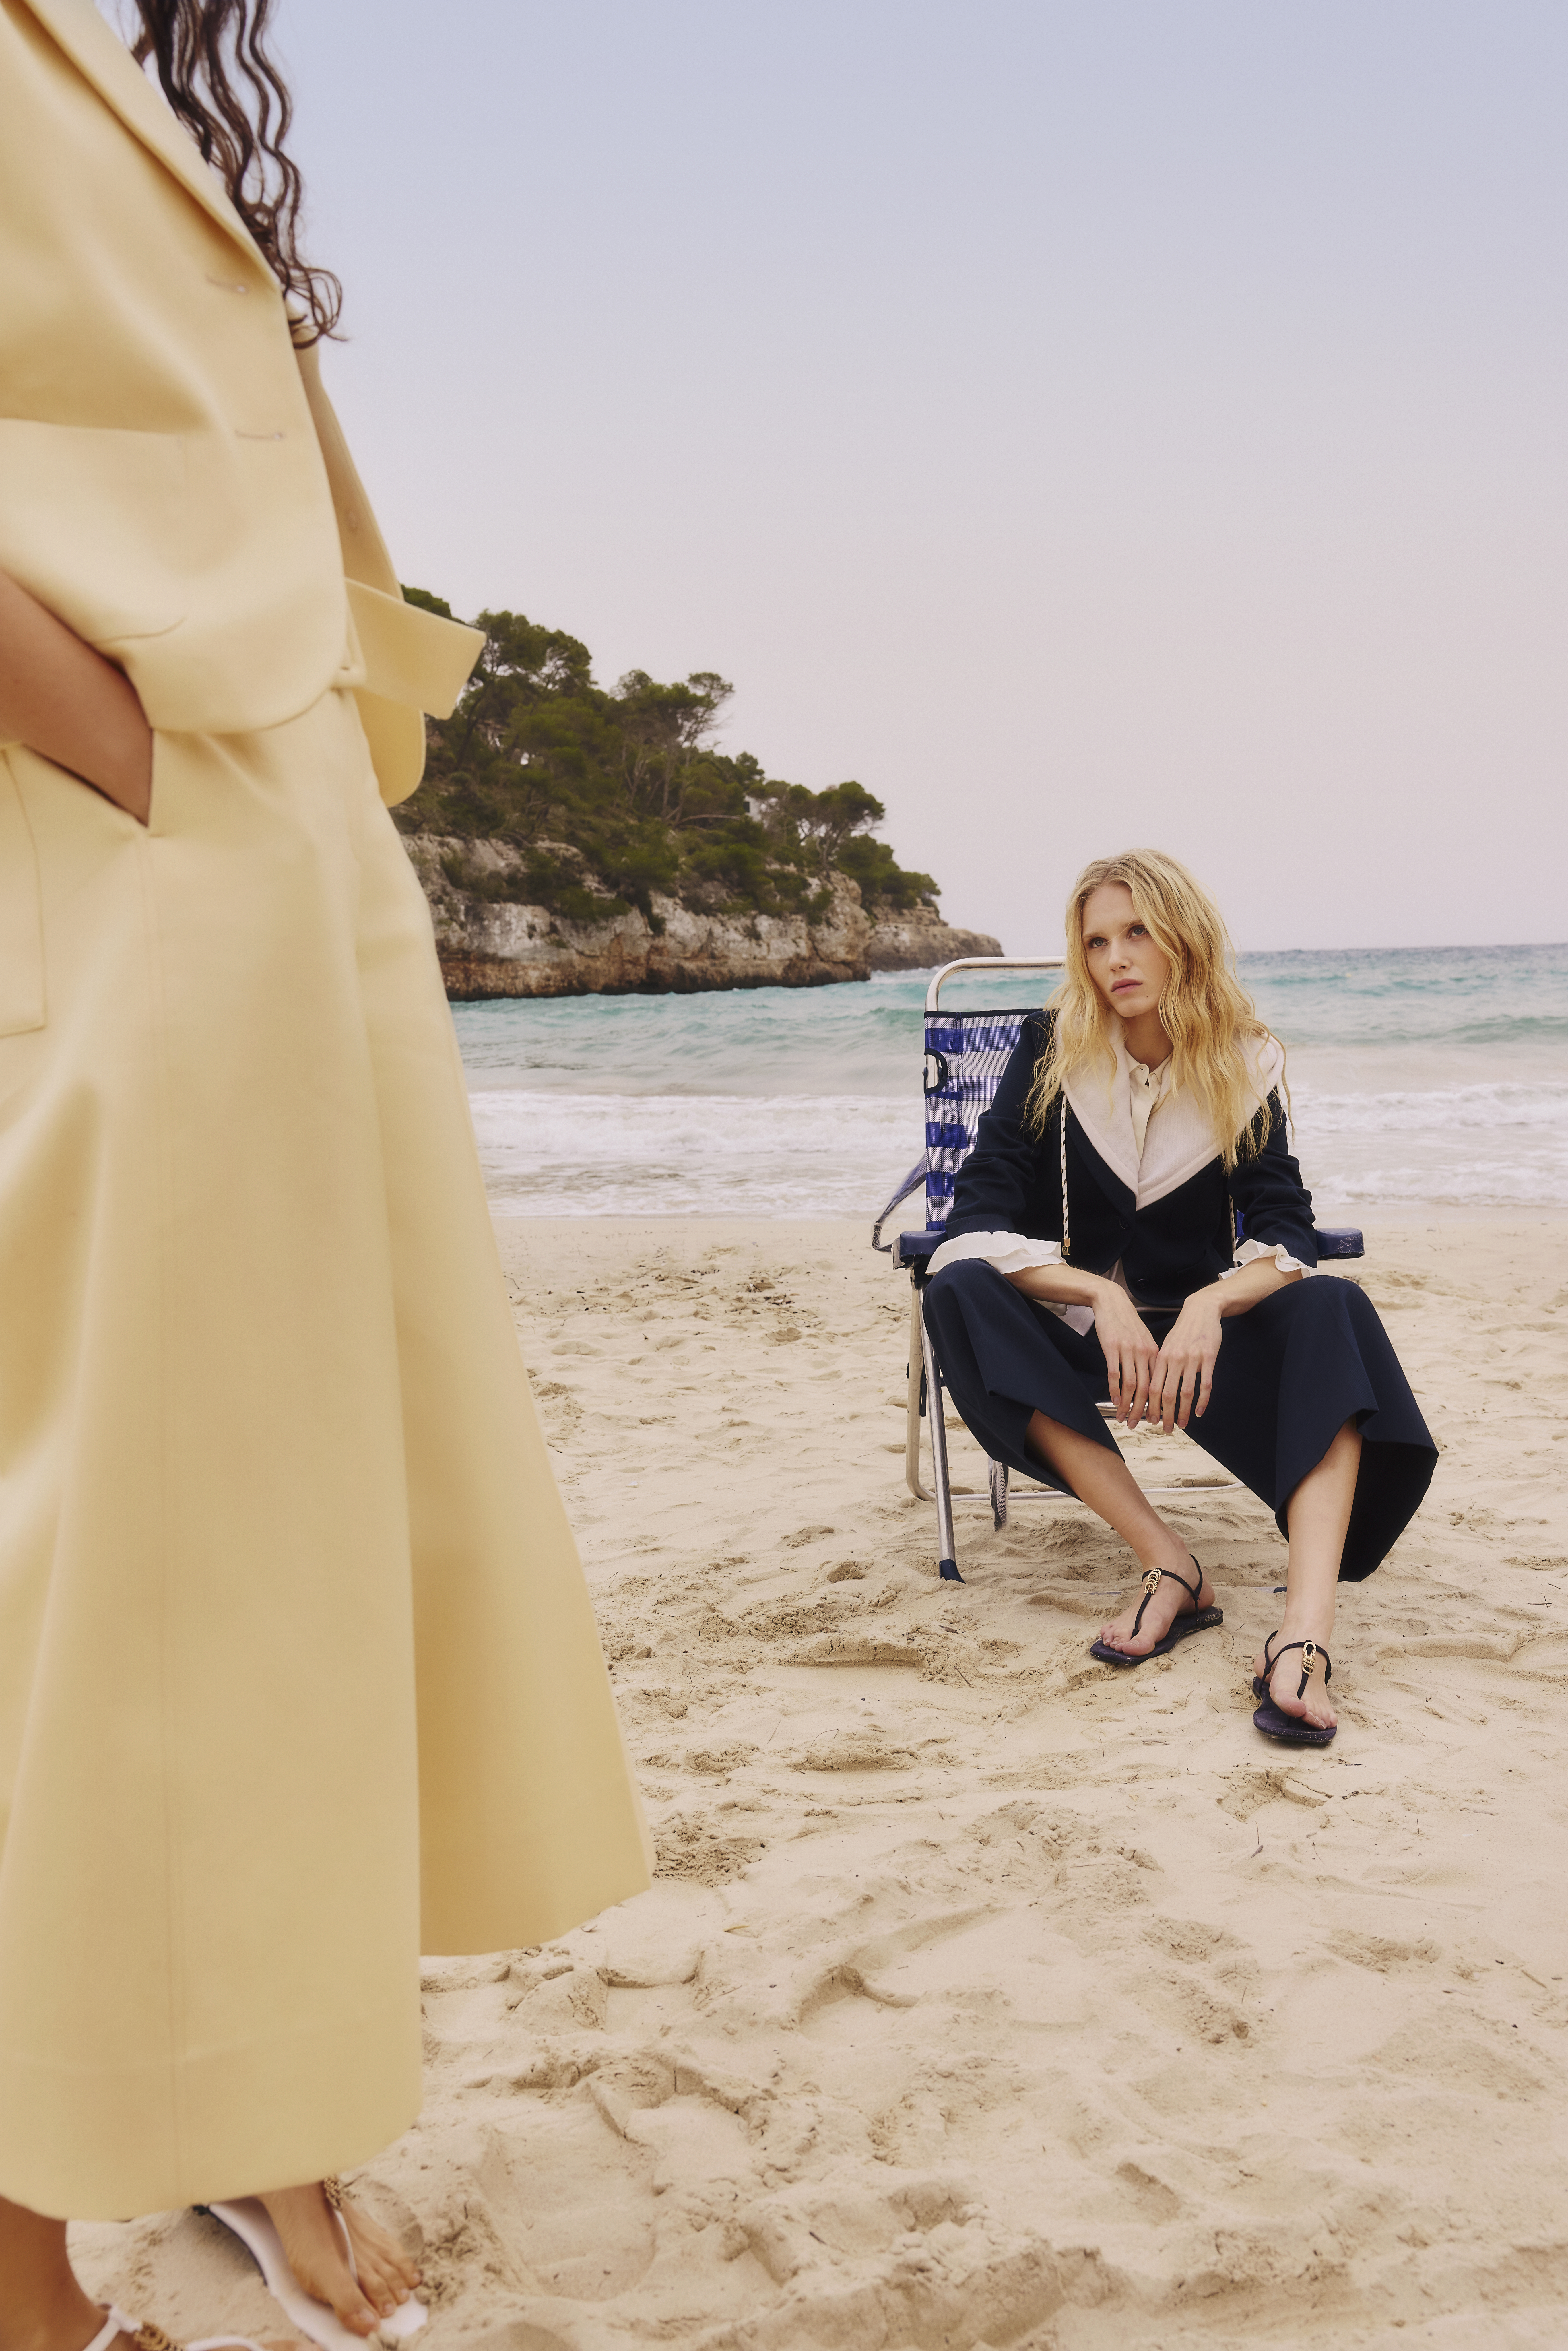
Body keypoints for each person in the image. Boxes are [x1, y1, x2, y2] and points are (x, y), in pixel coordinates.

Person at [0, 6, 650, 2350]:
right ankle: (21, 2254)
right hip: (129, 835)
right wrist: (118, 759)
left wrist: (256, 798)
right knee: (89, 1572)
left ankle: (260, 2118)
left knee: (277, 1545)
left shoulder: (122, 37)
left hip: (280, 838)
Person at [923, 849, 1436, 1747]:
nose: (1115, 959)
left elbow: (1287, 1224)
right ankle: (1171, 1566)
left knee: (1333, 1306)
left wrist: (1209, 1305)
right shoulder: (1051, 1052)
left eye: (1137, 934)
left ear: (1183, 942)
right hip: (1074, 1336)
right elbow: (978, 1213)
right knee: (959, 1288)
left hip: (1192, 1348)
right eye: (1095, 941)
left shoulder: (1246, 1060)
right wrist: (1095, 1295)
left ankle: (1305, 1634)